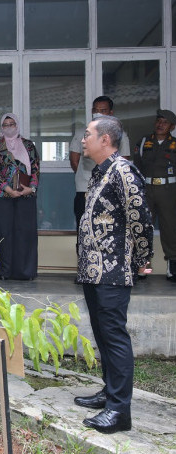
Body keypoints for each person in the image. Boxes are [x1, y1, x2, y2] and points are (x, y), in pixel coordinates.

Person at [74, 115, 153, 434]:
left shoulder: (124, 170)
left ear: (105, 139)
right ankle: (110, 392)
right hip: (93, 269)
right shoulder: (98, 172)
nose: (83, 140)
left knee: (115, 337)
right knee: (103, 335)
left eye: (88, 135)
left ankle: (120, 411)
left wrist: (143, 258)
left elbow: (140, 217)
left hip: (113, 269)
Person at [0, 112, 40, 280]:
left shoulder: (29, 145)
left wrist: (31, 188)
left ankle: (24, 272)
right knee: (2, 233)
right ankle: (1, 271)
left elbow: (36, 168)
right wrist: (8, 189)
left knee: (24, 233)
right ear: (1, 128)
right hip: (2, 197)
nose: (9, 128)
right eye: (5, 125)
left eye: (12, 124)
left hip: (25, 196)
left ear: (17, 125)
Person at [69, 97, 130, 237]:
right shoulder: (82, 133)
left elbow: (124, 162)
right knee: (84, 232)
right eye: (96, 110)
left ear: (110, 113)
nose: (99, 113)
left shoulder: (120, 135)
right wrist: (90, 178)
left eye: (103, 111)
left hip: (110, 191)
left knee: (108, 234)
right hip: (84, 190)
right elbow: (74, 161)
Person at [133, 109, 176, 281]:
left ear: (172, 127)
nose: (160, 124)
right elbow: (136, 167)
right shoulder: (144, 142)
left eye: (165, 122)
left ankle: (172, 266)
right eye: (158, 121)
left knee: (170, 228)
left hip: (169, 191)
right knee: (143, 227)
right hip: (147, 189)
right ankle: (143, 267)